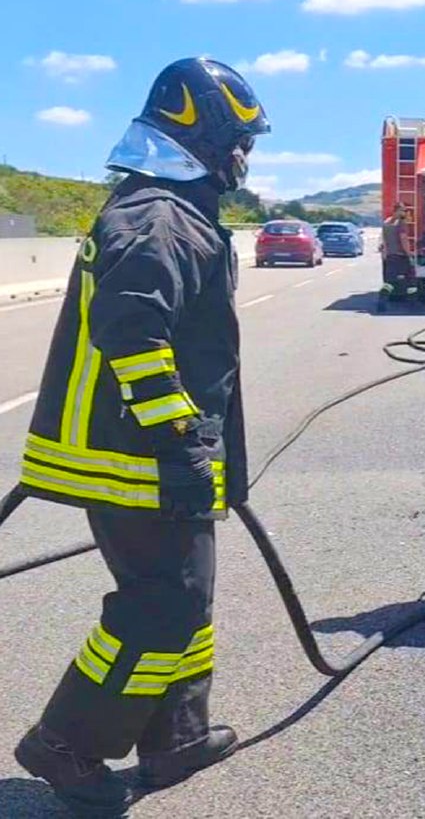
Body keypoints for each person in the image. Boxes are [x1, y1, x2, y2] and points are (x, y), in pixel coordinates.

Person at [12, 57, 269, 815]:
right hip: (135, 460)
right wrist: (183, 443)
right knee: (162, 606)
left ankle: (174, 738)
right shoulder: (160, 217)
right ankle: (65, 742)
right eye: (240, 141)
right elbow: (133, 332)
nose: (244, 157)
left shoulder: (172, 210)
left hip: (151, 456)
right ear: (206, 136)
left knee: (186, 599)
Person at [379, 202, 417, 304]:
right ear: (398, 211)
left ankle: (383, 296)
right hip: (401, 255)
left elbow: (384, 241)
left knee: (390, 281)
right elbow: (403, 239)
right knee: (411, 277)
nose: (405, 212)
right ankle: (412, 300)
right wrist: (409, 253)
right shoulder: (400, 224)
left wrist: (385, 254)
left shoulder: (386, 222)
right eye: (404, 210)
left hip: (390, 256)